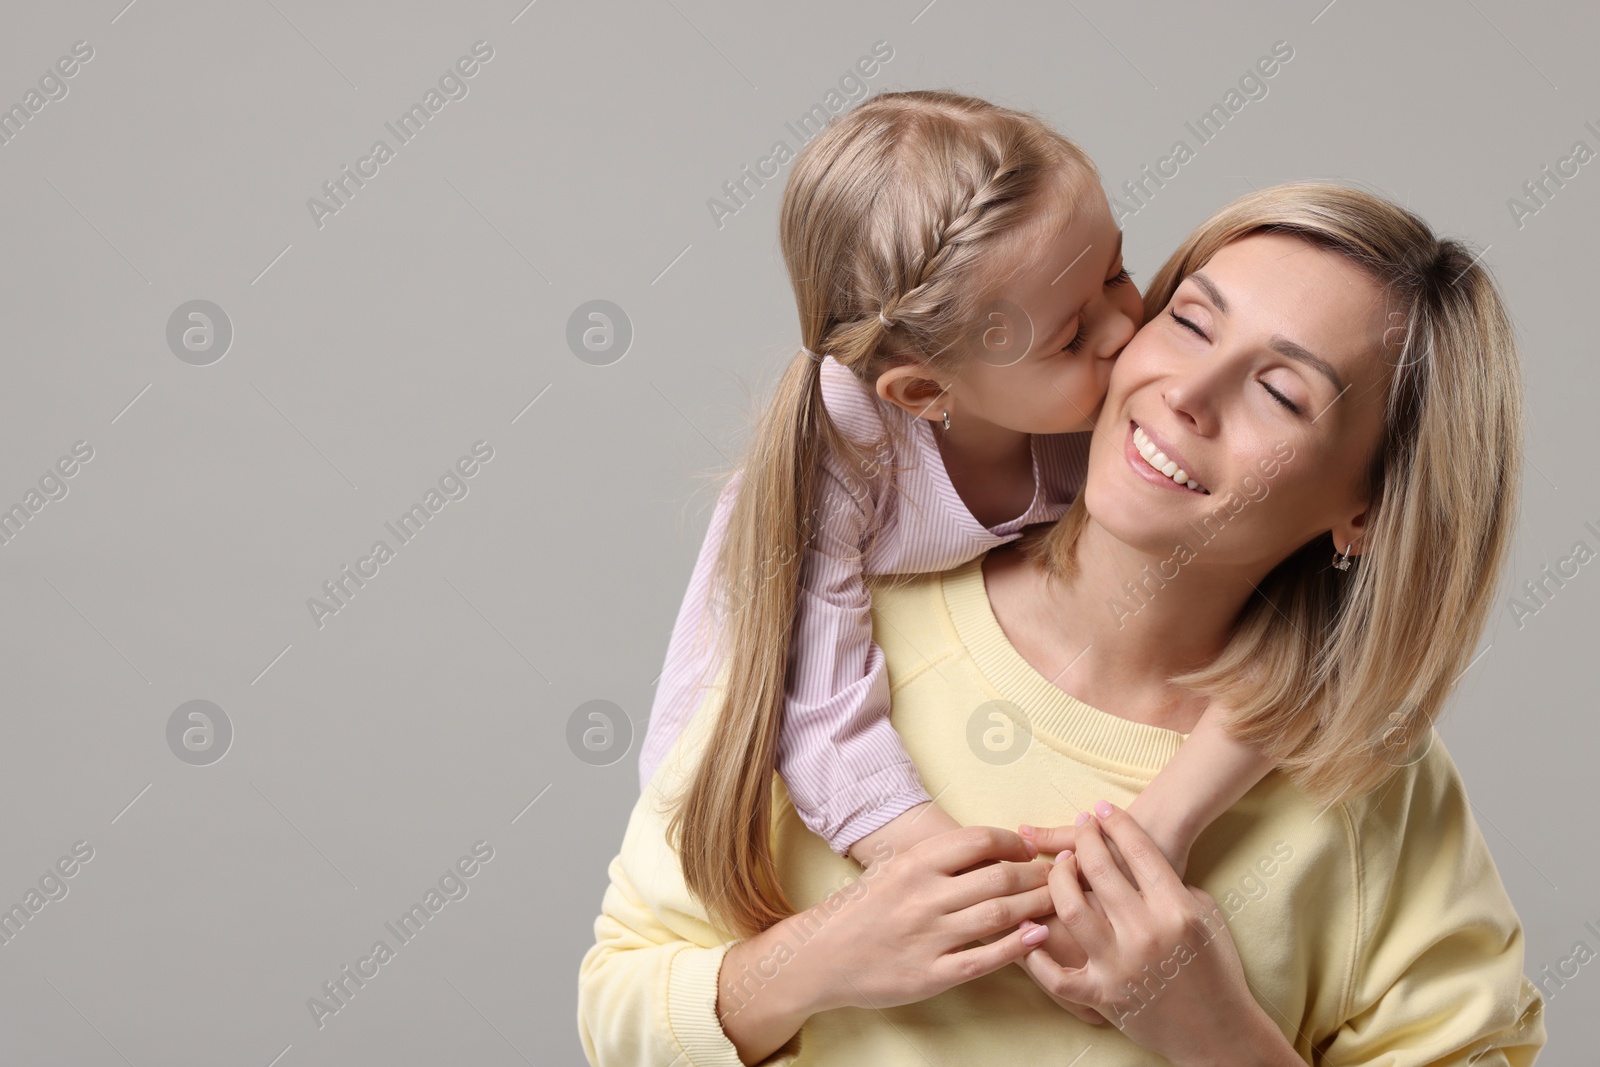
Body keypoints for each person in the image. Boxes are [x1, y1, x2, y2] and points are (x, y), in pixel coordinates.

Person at [579, 181, 1547, 1065]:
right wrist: (820, 957)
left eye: (1280, 391)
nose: (1187, 394)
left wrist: (1215, 1033)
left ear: (1370, 508)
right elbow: (617, 1008)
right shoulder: (835, 640)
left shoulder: (1371, 779)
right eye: (1191, 321)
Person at [637, 90, 1276, 949]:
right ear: (926, 392)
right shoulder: (843, 456)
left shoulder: (1098, 404)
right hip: (760, 778)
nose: (1129, 327)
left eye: (1117, 270)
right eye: (1072, 334)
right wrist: (966, 882)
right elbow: (816, 711)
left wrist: (1166, 818)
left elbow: (1310, 633)